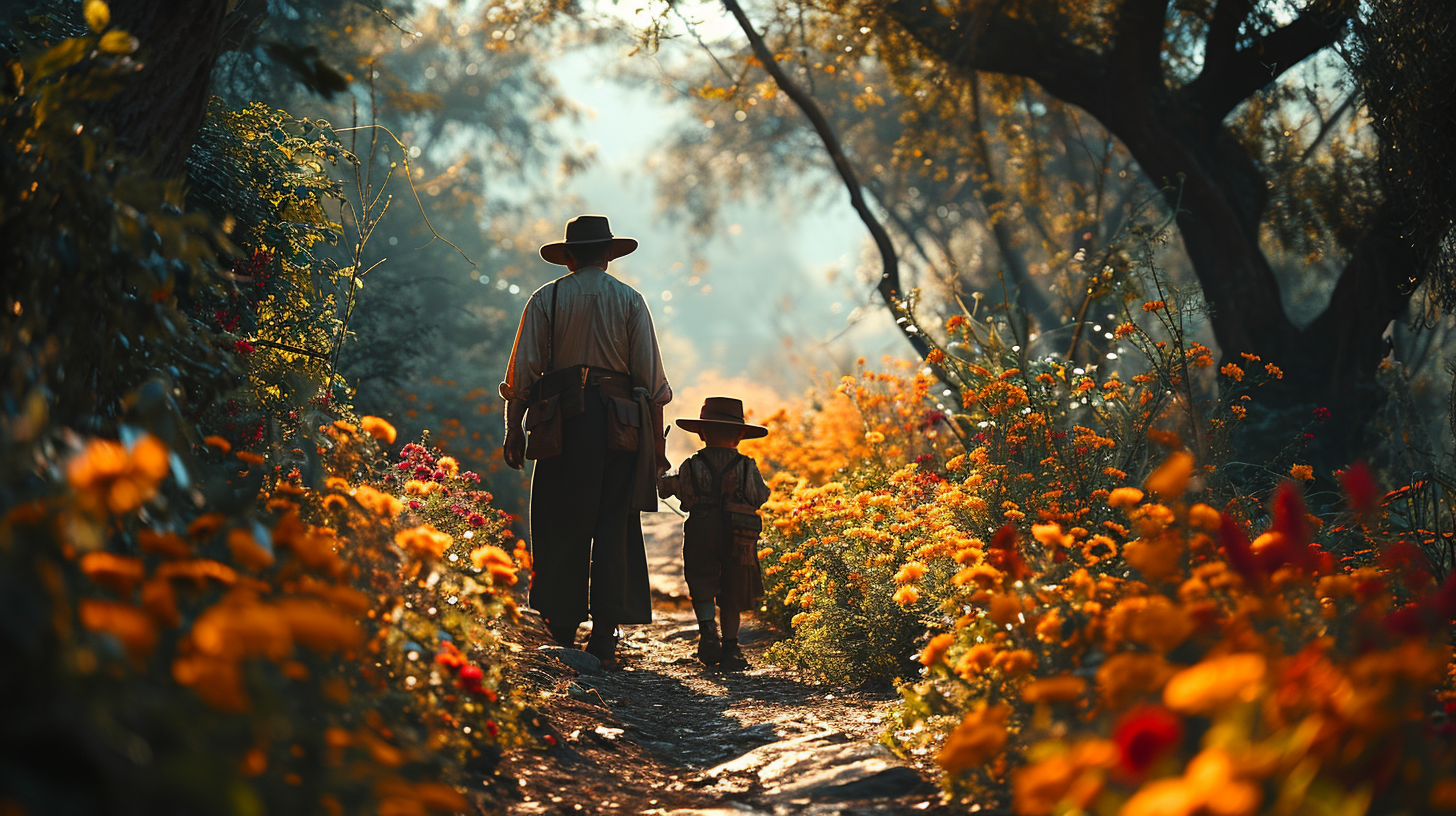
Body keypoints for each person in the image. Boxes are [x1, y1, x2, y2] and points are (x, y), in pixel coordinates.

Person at [500, 215, 671, 668]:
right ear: (610, 257)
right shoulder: (631, 300)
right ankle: (605, 630)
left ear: (570, 257)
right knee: (615, 521)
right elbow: (651, 383)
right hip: (620, 425)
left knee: (559, 518)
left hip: (561, 424)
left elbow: (522, 376)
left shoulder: (546, 298)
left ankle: (560, 624)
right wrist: (657, 447)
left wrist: (513, 430)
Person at [657, 397, 771, 671]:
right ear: (740, 436)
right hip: (738, 535)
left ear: (703, 433)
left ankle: (708, 632)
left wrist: (663, 477)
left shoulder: (691, 464)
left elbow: (673, 489)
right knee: (732, 589)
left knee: (701, 581)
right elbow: (760, 496)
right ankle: (731, 647)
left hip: (701, 528)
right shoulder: (747, 466)